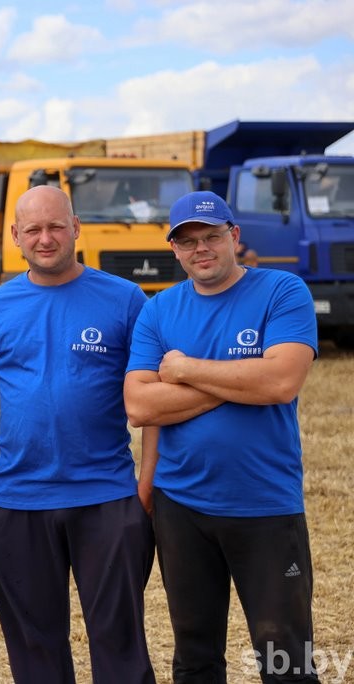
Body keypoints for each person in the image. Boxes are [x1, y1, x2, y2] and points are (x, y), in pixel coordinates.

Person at [0, 185, 156, 683]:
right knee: (35, 650)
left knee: (120, 647)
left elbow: (152, 405)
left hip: (107, 497)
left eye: (55, 226)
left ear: (76, 227)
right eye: (33, 229)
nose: (45, 238)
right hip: (16, 500)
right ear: (16, 237)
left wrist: (144, 491)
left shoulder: (126, 300)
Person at [124, 191, 319, 683]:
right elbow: (140, 406)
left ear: (234, 236)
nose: (201, 249)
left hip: (265, 505)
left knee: (286, 657)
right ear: (174, 250)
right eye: (187, 241)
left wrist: (186, 370)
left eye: (211, 236)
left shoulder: (282, 291)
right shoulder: (159, 310)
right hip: (181, 507)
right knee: (194, 656)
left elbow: (280, 382)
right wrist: (241, 381)